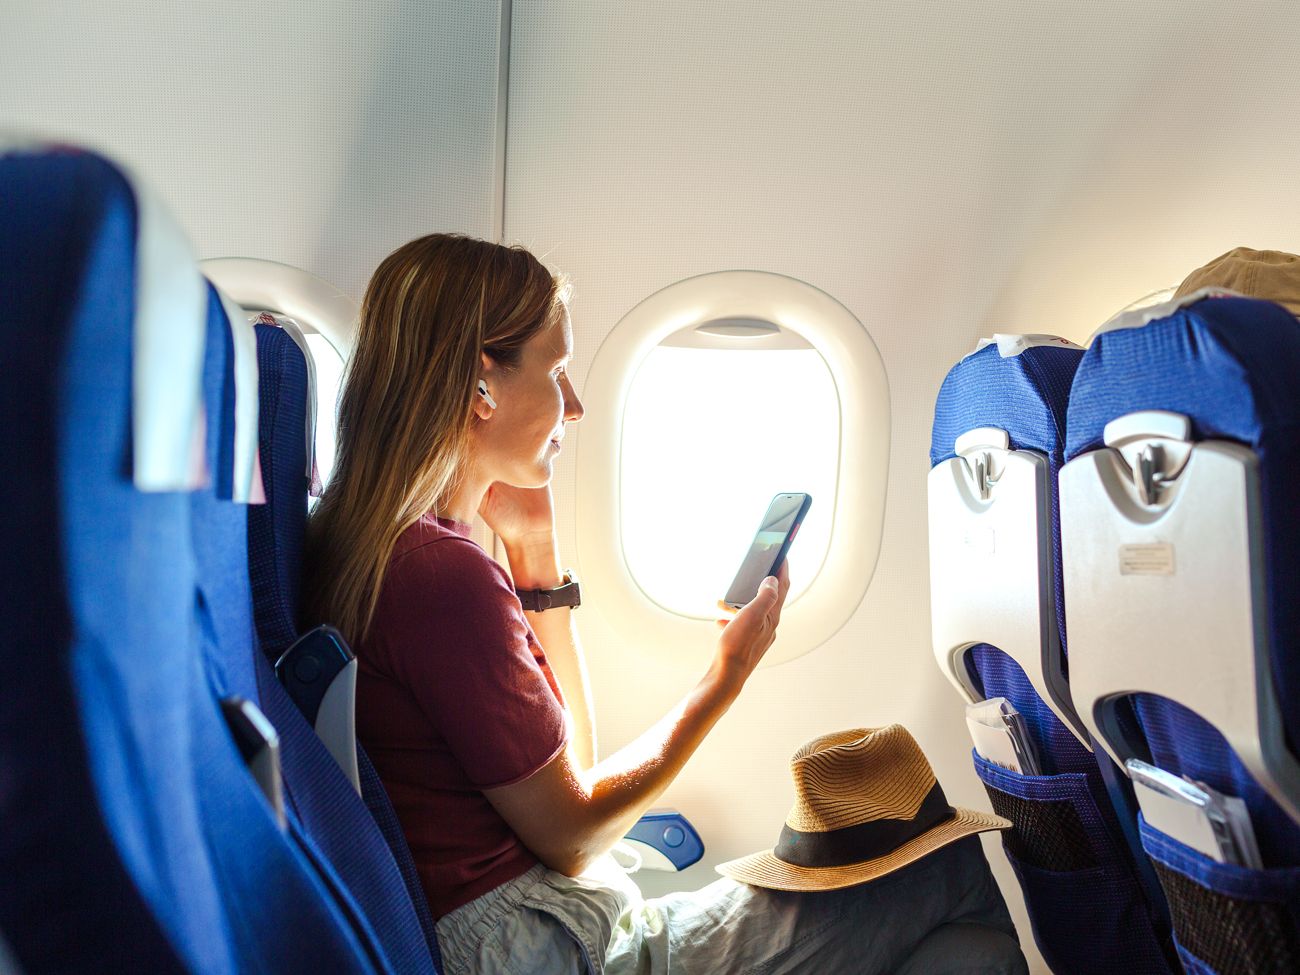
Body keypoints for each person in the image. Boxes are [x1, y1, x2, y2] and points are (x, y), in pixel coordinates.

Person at [303, 233, 1025, 974]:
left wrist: (538, 565)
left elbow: (567, 772)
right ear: (480, 384)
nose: (576, 405)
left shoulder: (388, 547)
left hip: (540, 931)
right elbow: (577, 832)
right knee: (948, 871)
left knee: (967, 950)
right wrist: (727, 675)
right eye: (556, 370)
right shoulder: (439, 576)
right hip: (537, 949)